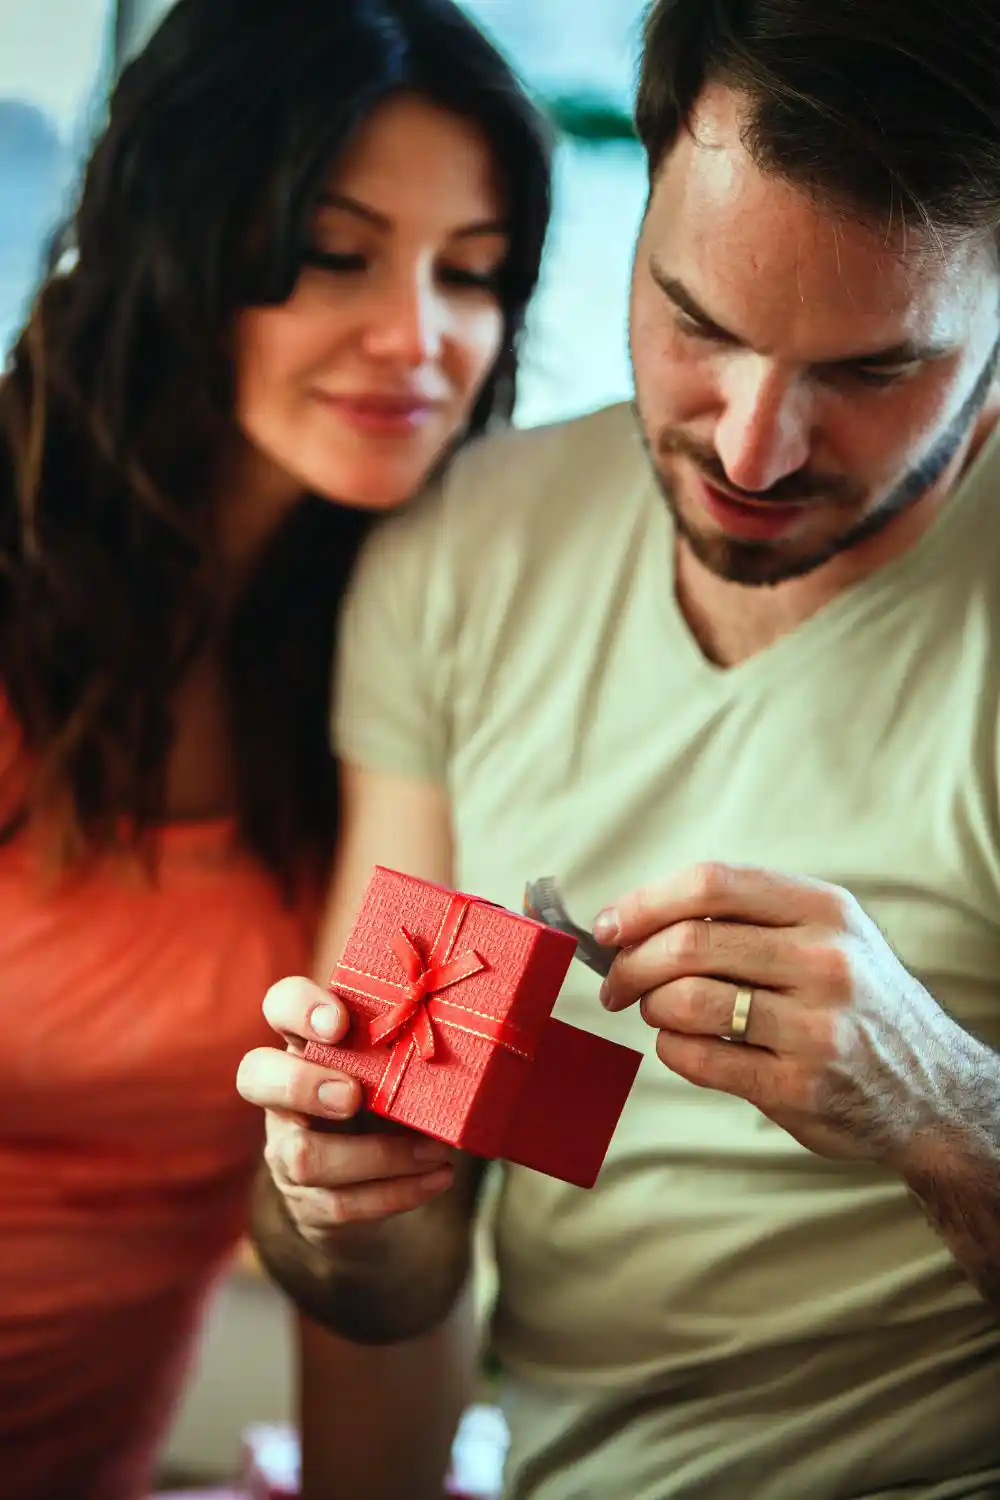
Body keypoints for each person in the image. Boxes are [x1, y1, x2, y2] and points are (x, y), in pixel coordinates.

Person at [239, 0, 1000, 1496]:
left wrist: (948, 1111)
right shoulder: (460, 543)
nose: (750, 450)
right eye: (699, 325)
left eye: (868, 369)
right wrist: (343, 1200)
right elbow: (386, 1297)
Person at [0, 0, 550, 1494]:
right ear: (176, 233)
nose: (423, 336)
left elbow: (387, 1175)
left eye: (478, 274)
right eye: (336, 253)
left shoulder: (418, 654)